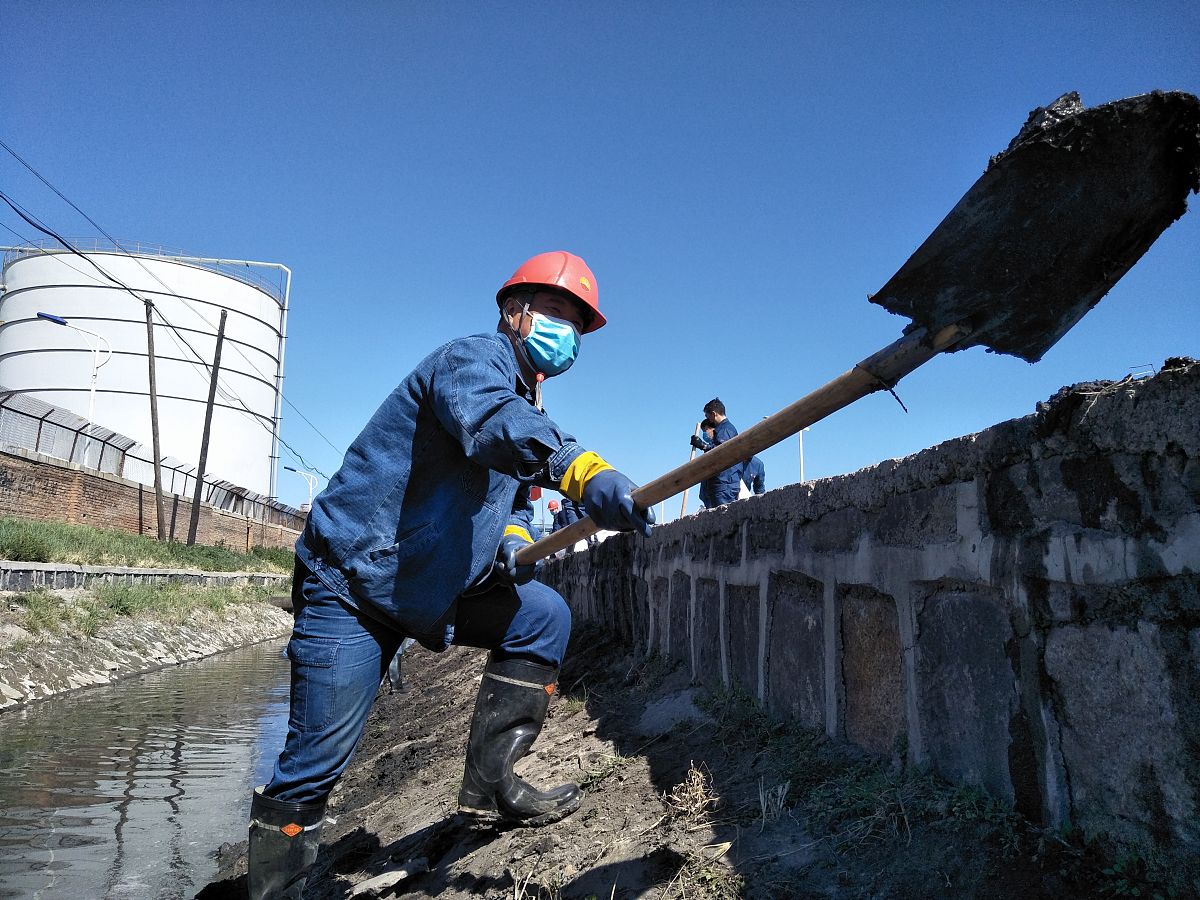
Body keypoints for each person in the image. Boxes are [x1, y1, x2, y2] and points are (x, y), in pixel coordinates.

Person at [247, 251, 655, 899]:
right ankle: (279, 888)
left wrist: (514, 543)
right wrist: (580, 468)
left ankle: (492, 787)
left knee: (542, 616)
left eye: (577, 324)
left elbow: (510, 498)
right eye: (554, 312)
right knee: (312, 768)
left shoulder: (526, 399)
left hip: (434, 587)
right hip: (354, 588)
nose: (566, 332)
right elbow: (494, 426)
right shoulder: (473, 364)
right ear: (512, 312)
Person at [689, 398, 741, 507]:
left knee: (724, 519)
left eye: (708, 417)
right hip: (720, 483)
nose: (709, 421)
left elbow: (720, 453)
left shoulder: (726, 430)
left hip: (724, 484)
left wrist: (702, 445)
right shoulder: (722, 429)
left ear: (714, 414)